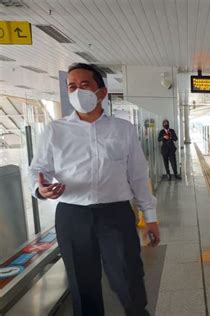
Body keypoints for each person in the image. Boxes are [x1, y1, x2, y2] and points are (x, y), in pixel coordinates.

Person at [29, 63, 160, 316]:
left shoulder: (123, 130)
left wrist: (151, 217)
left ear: (102, 92)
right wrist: (40, 188)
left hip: (116, 215)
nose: (77, 91)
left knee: (129, 280)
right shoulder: (56, 130)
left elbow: (138, 175)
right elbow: (38, 169)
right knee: (83, 286)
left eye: (84, 85)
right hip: (72, 216)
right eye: (72, 87)